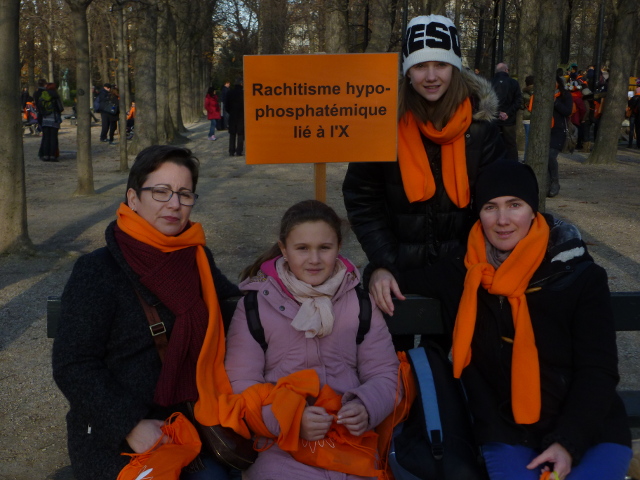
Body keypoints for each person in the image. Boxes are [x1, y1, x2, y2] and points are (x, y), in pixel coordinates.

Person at [400, 159, 632, 480]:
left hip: (589, 429)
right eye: (490, 207)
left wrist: (567, 442)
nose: (503, 220)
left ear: (533, 210)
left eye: (515, 205)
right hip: (508, 433)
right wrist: (379, 273)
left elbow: (598, 371)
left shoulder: (578, 275)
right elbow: (400, 277)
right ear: (478, 215)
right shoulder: (466, 273)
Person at [52, 145, 242, 480]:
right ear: (133, 198)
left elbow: (234, 310)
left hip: (191, 420)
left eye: (184, 193)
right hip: (119, 436)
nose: (174, 204)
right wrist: (129, 425)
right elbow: (73, 364)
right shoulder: (98, 271)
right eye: (161, 191)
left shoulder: (197, 257)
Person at [342, 14, 504, 330]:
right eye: (419, 66)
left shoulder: (481, 128)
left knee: (450, 367)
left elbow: (495, 201)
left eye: (440, 65)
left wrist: (468, 262)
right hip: (396, 272)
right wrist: (384, 264)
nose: (430, 76)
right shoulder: (381, 123)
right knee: (393, 369)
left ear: (455, 68)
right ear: (407, 71)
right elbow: (362, 200)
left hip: (462, 273)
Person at [224, 199, 400, 480]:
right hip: (280, 450)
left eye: (324, 248)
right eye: (302, 248)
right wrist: (291, 419)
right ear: (283, 249)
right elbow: (241, 387)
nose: (314, 260)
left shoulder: (360, 304)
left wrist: (366, 406)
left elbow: (385, 373)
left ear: (338, 248)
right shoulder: (255, 308)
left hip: (351, 445)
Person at [547, 76, 573, 198]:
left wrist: (555, 102)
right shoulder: (543, 95)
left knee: (551, 156)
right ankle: (546, 183)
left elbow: (568, 111)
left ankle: (555, 183)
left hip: (558, 130)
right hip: (545, 130)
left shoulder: (565, 95)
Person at [492, 62, 523, 161]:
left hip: (494, 119)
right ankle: (513, 165)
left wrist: (497, 113)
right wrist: (508, 113)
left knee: (493, 143)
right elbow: (518, 101)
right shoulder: (513, 83)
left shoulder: (490, 82)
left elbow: (485, 101)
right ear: (506, 70)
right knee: (511, 145)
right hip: (509, 120)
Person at [37, 82, 64, 162]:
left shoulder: (43, 95)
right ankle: (52, 155)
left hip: (45, 119)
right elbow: (60, 108)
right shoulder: (55, 95)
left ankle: (45, 155)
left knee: (46, 138)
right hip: (54, 119)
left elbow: (39, 107)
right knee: (53, 138)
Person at [226, 78, 245, 156]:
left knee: (232, 134)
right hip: (241, 116)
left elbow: (226, 105)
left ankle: (231, 150)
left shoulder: (230, 93)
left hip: (232, 115)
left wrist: (230, 112)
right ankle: (239, 151)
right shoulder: (243, 93)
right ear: (241, 84)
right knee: (240, 134)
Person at [521, 75, 534, 162]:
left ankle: (526, 158)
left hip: (526, 116)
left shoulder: (524, 93)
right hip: (536, 117)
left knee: (527, 138)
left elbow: (521, 106)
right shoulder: (539, 91)